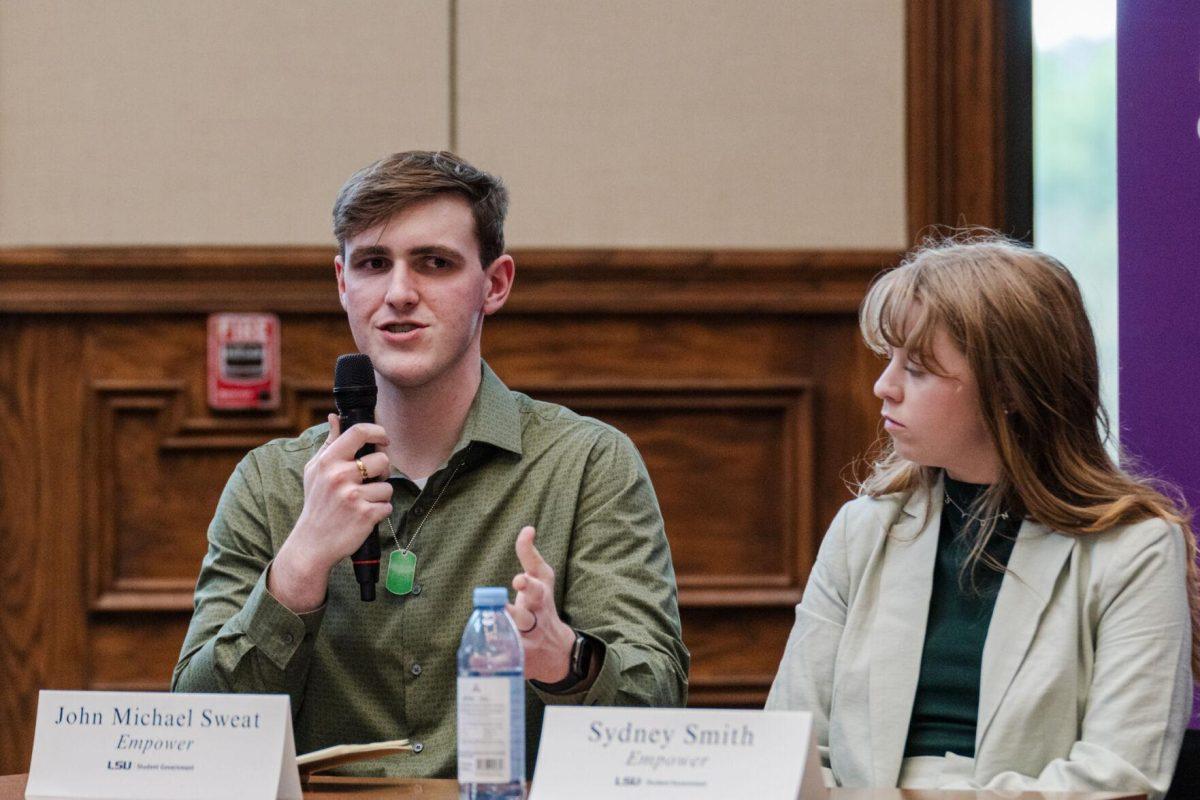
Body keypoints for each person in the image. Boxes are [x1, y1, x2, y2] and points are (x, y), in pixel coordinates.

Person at [172, 151, 689, 777]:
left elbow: (659, 706)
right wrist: (298, 569)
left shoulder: (586, 466)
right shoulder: (271, 483)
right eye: (372, 264)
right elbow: (196, 736)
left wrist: (564, 657)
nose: (398, 294)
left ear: (494, 285)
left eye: (434, 264)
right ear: (342, 283)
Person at [766, 235, 1197, 799]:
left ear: (1010, 388)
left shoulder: (1136, 549)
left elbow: (1118, 779)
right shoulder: (861, 530)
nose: (883, 386)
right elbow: (790, 749)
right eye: (888, 359)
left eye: (916, 369)